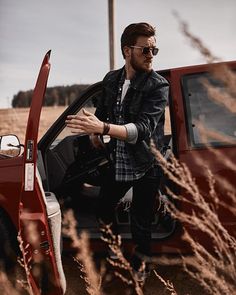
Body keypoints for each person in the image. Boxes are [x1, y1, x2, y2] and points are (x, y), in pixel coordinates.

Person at [66, 22, 169, 281]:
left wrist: (104, 127)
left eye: (154, 50)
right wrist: (95, 131)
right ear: (127, 50)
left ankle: (140, 266)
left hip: (147, 164)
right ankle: (114, 251)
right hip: (119, 161)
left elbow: (143, 129)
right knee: (103, 209)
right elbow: (103, 114)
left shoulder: (158, 85)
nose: (151, 56)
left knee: (140, 223)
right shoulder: (111, 79)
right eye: (145, 50)